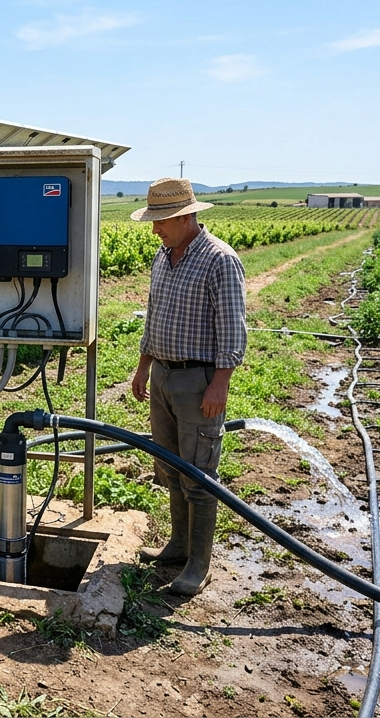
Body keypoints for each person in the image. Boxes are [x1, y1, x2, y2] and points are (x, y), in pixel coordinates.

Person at [128, 177, 247, 595]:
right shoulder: (164, 256)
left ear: (185, 216)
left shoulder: (220, 260)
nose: (156, 228)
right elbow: (153, 315)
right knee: (170, 466)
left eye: (162, 221)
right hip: (162, 374)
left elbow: (232, 331)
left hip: (198, 381)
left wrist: (220, 385)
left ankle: (198, 565)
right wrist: (144, 367)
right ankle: (177, 547)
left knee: (199, 475)